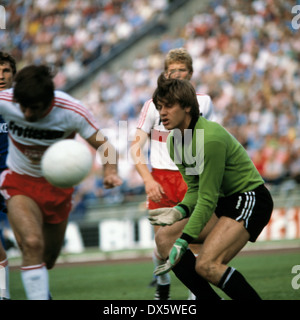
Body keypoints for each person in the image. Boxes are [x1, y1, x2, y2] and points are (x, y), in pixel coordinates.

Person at [0, 65, 122, 300]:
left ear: (49, 102)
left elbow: (106, 147)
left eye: (33, 108)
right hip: (19, 181)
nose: (26, 113)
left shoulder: (72, 110)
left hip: (57, 188)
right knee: (32, 243)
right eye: (21, 106)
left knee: (49, 259)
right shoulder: (6, 100)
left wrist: (110, 172)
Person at [149, 74, 274, 300]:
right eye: (159, 107)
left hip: (249, 199)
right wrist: (178, 211)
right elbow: (195, 190)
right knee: (163, 239)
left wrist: (184, 240)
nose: (162, 113)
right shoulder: (172, 142)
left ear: (187, 107)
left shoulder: (210, 139)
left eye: (168, 106)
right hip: (222, 203)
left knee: (207, 265)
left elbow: (207, 198)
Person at [131, 48, 214, 300]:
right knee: (162, 243)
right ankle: (163, 281)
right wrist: (147, 179)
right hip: (162, 179)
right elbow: (135, 147)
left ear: (190, 73)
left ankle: (195, 295)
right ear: (165, 74)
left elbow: (212, 140)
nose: (176, 74)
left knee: (195, 239)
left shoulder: (204, 102)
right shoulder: (152, 106)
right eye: (171, 70)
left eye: (181, 70)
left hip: (192, 177)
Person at [0, 51, 17, 300]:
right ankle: (3, 295)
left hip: (18, 181)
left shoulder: (24, 103)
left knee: (33, 245)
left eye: (6, 71)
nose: (1, 76)